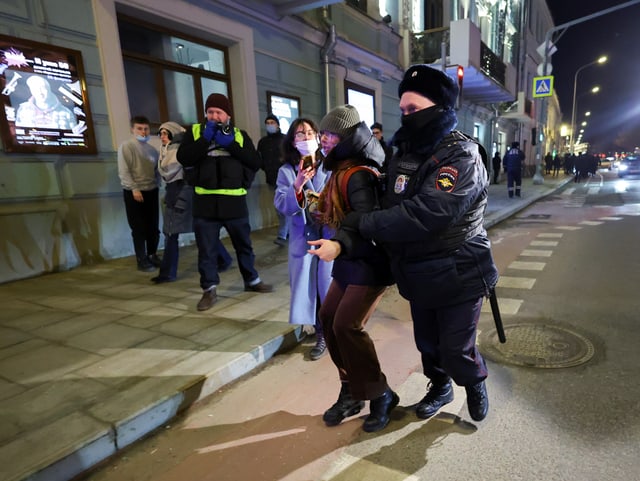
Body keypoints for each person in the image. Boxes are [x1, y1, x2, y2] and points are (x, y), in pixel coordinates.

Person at [339, 65, 499, 423]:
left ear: (439, 109)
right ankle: (440, 387)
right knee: (428, 345)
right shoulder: (406, 152)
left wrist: (365, 223)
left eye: (414, 109)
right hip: (417, 272)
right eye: (404, 110)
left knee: (456, 349)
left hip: (459, 271)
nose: (406, 116)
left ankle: (474, 380)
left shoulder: (461, 155)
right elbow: (392, 200)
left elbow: (426, 213)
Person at [307, 105, 397, 433]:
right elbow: (342, 214)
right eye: (323, 134)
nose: (323, 140)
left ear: (346, 137)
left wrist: (339, 244)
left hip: (370, 261)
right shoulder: (339, 167)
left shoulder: (358, 172)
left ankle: (381, 394)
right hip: (349, 258)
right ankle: (351, 390)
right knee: (329, 319)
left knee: (347, 325)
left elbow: (366, 221)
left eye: (330, 135)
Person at [177, 93, 272, 311]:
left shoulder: (239, 135)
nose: (214, 116)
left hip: (234, 202)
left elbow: (256, 162)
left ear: (227, 115)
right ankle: (209, 289)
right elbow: (184, 158)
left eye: (219, 112)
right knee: (207, 250)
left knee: (244, 245)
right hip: (205, 203)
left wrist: (231, 146)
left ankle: (252, 280)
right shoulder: (194, 133)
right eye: (210, 112)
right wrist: (204, 140)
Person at [274, 118, 332, 360]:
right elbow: (281, 205)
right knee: (311, 290)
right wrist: (297, 184)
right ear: (292, 141)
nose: (306, 138)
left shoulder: (331, 166)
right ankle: (320, 333)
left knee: (328, 287)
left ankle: (331, 330)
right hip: (303, 237)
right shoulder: (287, 170)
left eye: (310, 132)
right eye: (300, 134)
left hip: (329, 235)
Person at [117, 115, 161, 272]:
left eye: (146, 129)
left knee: (153, 226)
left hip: (151, 191)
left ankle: (152, 254)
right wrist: (134, 188)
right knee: (139, 228)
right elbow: (124, 170)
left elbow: (156, 171)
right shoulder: (127, 147)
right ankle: (141, 259)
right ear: (132, 129)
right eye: (139, 128)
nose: (143, 132)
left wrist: (157, 185)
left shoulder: (153, 150)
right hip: (134, 192)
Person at [151, 121, 191, 283]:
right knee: (196, 231)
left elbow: (168, 172)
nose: (162, 137)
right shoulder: (167, 150)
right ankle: (223, 259)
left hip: (180, 194)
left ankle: (167, 273)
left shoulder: (177, 150)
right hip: (175, 194)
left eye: (165, 133)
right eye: (160, 134)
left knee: (171, 233)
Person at [257, 114, 288, 246]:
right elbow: (260, 159)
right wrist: (266, 168)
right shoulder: (263, 142)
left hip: (286, 180)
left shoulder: (285, 139)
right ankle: (287, 232)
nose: (270, 125)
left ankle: (282, 235)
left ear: (277, 124)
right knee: (278, 207)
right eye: (267, 122)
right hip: (271, 179)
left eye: (272, 122)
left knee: (283, 208)